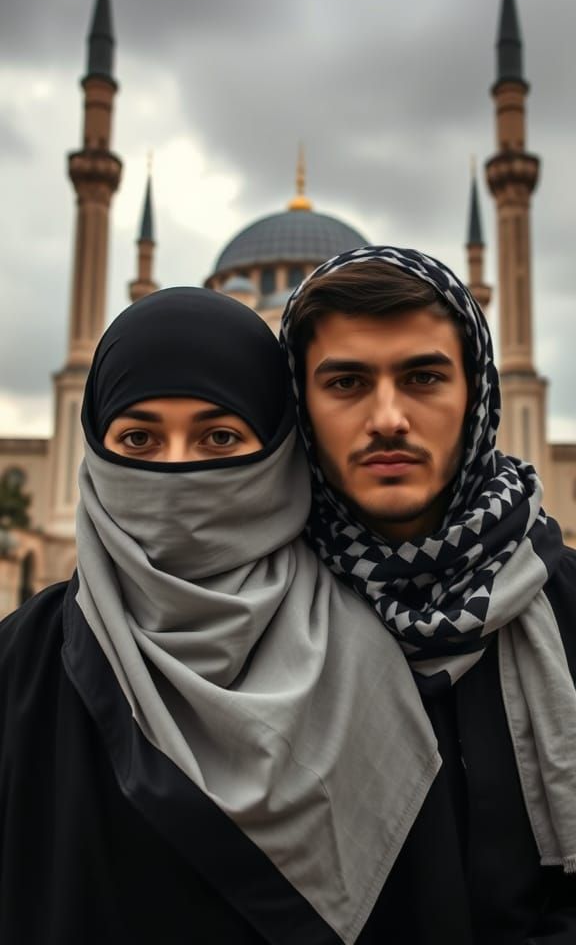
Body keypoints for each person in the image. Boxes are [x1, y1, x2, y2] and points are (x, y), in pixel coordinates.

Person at [0, 286, 442, 945]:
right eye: (140, 437)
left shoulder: (377, 656)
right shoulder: (23, 663)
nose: (178, 470)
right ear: (95, 444)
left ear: (281, 448)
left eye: (220, 436)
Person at [280, 245, 576, 944]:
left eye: (422, 376)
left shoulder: (563, 605)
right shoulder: (261, 616)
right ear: (299, 405)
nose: (388, 418)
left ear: (476, 394)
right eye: (347, 383)